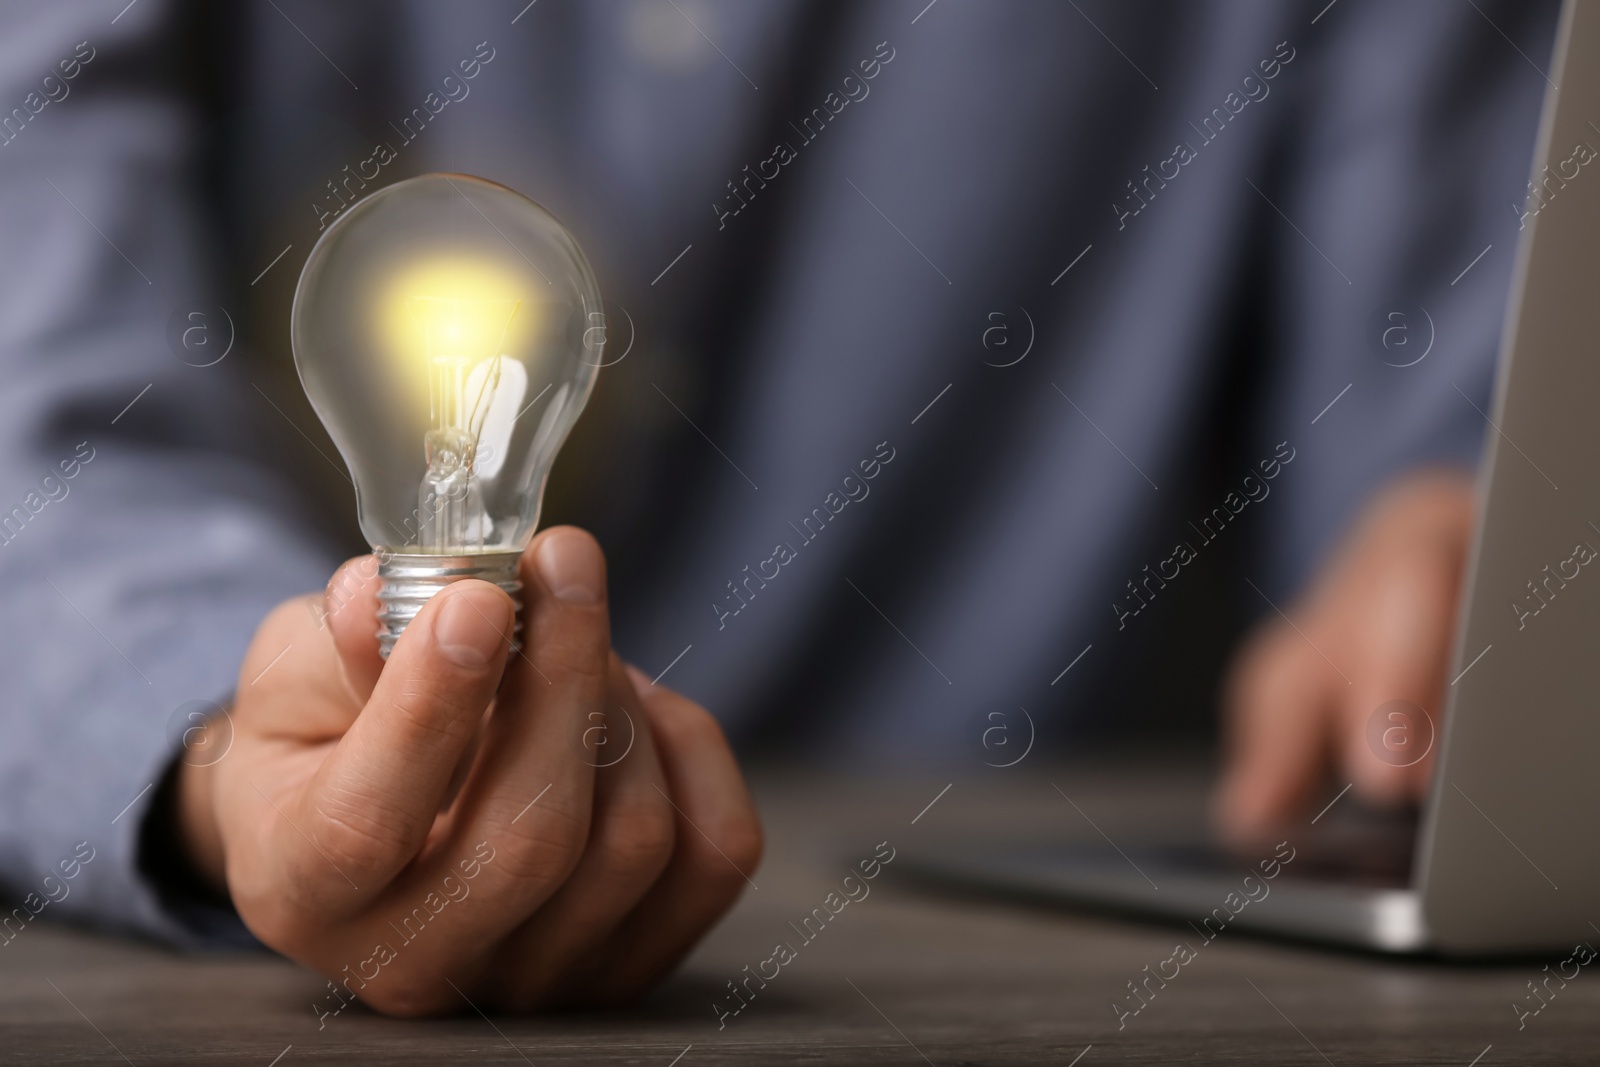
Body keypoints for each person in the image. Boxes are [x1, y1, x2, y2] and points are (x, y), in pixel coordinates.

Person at [0, 0, 1558, 1014]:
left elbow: (1463, 377)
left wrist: (1473, 552)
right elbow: (36, 425)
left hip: (1044, 965)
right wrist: (233, 746)